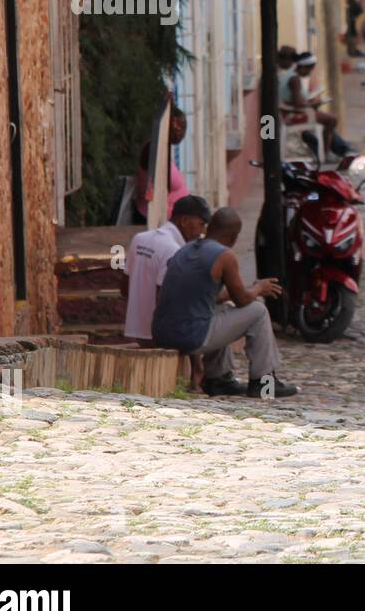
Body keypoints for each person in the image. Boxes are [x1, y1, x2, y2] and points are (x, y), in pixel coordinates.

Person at [152, 207, 299, 399]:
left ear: (210, 227)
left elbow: (209, 296)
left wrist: (241, 290)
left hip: (162, 333)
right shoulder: (225, 256)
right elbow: (242, 300)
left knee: (221, 309)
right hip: (190, 336)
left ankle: (218, 380)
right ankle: (264, 385)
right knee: (258, 311)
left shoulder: (186, 249)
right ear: (234, 238)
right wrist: (258, 288)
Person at [121, 194, 211, 342]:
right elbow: (165, 301)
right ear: (184, 221)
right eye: (201, 224)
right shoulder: (174, 250)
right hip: (159, 337)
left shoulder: (139, 239)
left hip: (136, 332)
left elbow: (124, 289)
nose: (203, 232)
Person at [281, 52, 352, 156]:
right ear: (304, 67)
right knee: (332, 120)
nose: (309, 73)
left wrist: (310, 102)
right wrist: (314, 104)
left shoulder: (287, 75)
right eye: (309, 70)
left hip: (289, 111)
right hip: (293, 115)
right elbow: (298, 104)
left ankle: (340, 148)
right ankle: (326, 152)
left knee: (326, 120)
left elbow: (295, 100)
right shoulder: (294, 79)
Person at [133, 105, 189, 225]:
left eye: (184, 127)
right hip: (154, 221)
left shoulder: (163, 148)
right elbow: (158, 187)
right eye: (179, 126)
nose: (181, 131)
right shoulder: (152, 149)